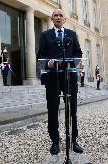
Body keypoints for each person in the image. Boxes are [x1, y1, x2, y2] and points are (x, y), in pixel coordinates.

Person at [37, 8, 84, 155]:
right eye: (55, 15)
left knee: (72, 110)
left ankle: (73, 140)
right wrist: (48, 62)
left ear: (65, 19)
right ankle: (55, 141)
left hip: (69, 77)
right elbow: (41, 55)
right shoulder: (45, 35)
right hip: (52, 77)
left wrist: (73, 62)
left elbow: (78, 53)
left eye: (61, 15)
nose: (58, 17)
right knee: (53, 110)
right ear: (52, 19)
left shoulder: (72, 34)